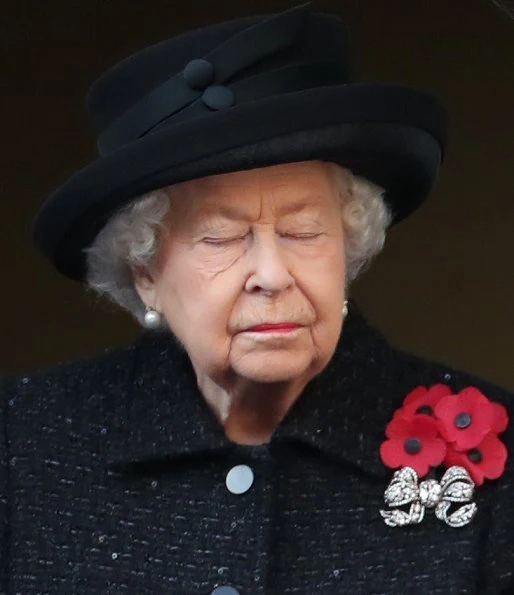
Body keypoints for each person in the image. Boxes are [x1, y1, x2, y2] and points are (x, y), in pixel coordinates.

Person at [1, 4, 512, 594]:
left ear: (348, 245)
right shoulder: (24, 444)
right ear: (145, 273)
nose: (272, 274)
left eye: (302, 231)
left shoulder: (504, 459)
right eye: (220, 237)